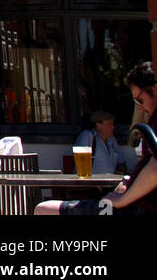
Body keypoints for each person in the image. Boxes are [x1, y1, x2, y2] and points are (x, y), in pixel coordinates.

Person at [36, 61, 157, 215]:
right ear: (98, 125)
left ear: (154, 88)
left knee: (44, 209)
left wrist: (123, 198)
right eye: (109, 123)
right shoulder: (88, 136)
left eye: (140, 100)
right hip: (112, 195)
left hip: (135, 205)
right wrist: (128, 184)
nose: (140, 107)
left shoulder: (115, 140)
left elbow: (154, 169)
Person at [74, 111, 121, 176]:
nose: (113, 127)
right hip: (92, 184)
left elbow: (121, 163)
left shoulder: (113, 141)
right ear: (98, 125)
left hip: (111, 184)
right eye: (110, 124)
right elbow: (80, 167)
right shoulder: (87, 137)